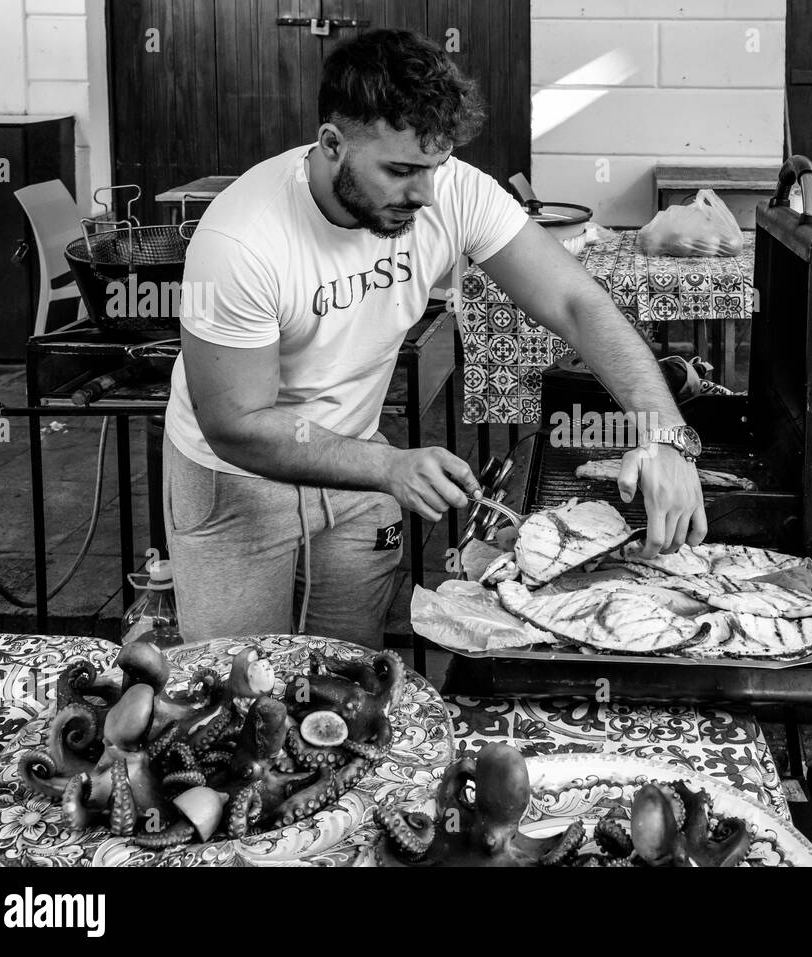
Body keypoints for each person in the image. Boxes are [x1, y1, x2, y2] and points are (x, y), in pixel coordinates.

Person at [163, 28, 707, 648]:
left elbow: (576, 301)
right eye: (399, 171)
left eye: (434, 167)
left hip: (358, 468)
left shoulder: (448, 190)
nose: (422, 195)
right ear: (332, 143)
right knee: (237, 687)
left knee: (349, 672)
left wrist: (664, 435)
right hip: (236, 488)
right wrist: (388, 465)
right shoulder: (240, 239)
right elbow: (236, 423)